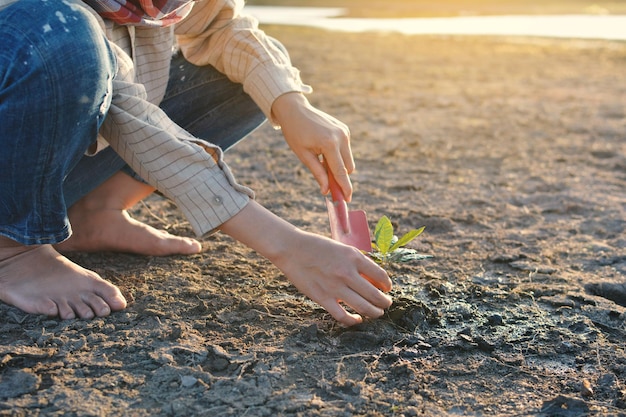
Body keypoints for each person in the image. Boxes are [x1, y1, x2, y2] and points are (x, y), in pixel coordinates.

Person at [0, 0, 392, 327]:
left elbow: (220, 27)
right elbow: (130, 119)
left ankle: (95, 211)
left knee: (248, 77)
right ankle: (11, 250)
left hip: (48, 160)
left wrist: (290, 103)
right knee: (62, 35)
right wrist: (287, 245)